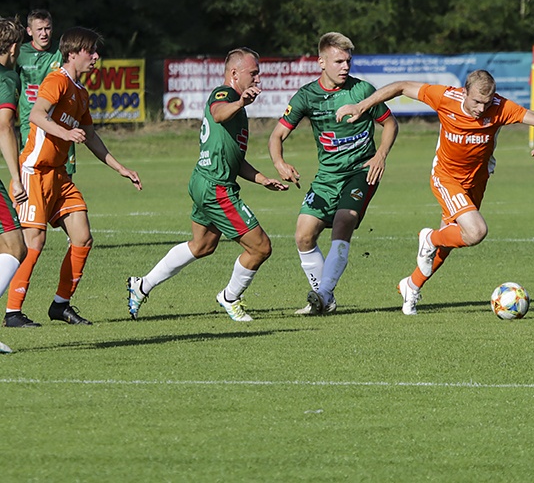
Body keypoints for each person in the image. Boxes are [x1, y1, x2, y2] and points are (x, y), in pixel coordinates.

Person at [336, 69, 534, 315]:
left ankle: (412, 285)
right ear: (464, 93)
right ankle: (428, 238)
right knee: (475, 232)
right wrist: (362, 106)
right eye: (476, 102)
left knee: (449, 242)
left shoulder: (500, 106)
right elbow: (401, 86)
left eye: (486, 102)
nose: (481, 109)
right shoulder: (445, 97)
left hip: (476, 182)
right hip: (446, 178)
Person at [127, 48, 288, 321]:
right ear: (235, 74)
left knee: (202, 246)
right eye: (254, 73)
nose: (258, 78)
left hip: (204, 180)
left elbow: (235, 159)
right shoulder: (224, 94)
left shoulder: (238, 107)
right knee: (260, 247)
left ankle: (141, 285)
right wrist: (239, 103)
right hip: (216, 187)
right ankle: (230, 297)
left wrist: (262, 179)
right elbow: (218, 113)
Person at [4, 27, 141, 327]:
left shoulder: (81, 93)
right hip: (34, 172)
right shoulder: (57, 81)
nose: (95, 57)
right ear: (72, 53)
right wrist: (66, 132)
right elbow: (37, 115)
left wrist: (121, 168)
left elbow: (91, 136)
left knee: (82, 237)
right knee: (34, 242)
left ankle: (60, 305)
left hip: (59, 176)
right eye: (90, 51)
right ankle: (13, 312)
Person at [268, 32, 398, 316]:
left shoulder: (362, 91)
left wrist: (381, 155)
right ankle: (325, 295)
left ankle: (323, 295)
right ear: (321, 62)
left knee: (343, 221)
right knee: (303, 235)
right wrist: (280, 163)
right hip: (327, 176)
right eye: (338, 61)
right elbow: (276, 135)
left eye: (348, 61)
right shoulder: (306, 97)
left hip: (362, 171)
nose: (345, 67)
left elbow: (390, 125)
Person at [16, 9, 75, 175]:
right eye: (39, 29)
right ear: (29, 31)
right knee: (32, 172)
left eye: (47, 28)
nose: (44, 33)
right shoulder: (20, 53)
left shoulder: (61, 51)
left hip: (61, 123)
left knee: (63, 175)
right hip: (31, 124)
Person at [0, 18, 29, 350]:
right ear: (12, 48)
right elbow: (5, 126)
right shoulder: (6, 77)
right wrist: (16, 174)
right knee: (16, 247)